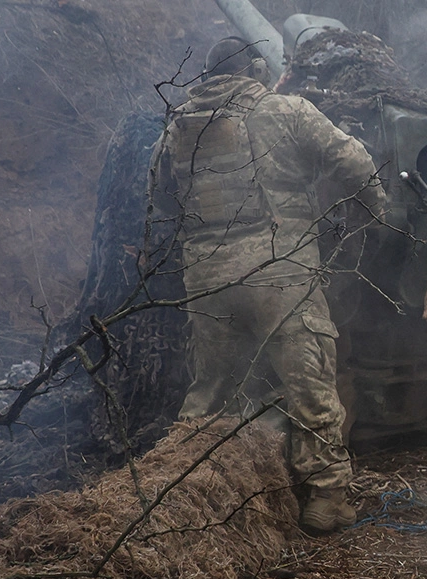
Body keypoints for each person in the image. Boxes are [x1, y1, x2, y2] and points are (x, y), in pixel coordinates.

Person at [151, 37, 386, 536]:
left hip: (207, 277)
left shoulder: (176, 129)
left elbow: (160, 204)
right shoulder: (285, 110)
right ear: (256, 69)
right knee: (309, 385)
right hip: (281, 276)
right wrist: (372, 213)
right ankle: (325, 499)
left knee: (211, 388)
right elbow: (357, 164)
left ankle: (174, 490)